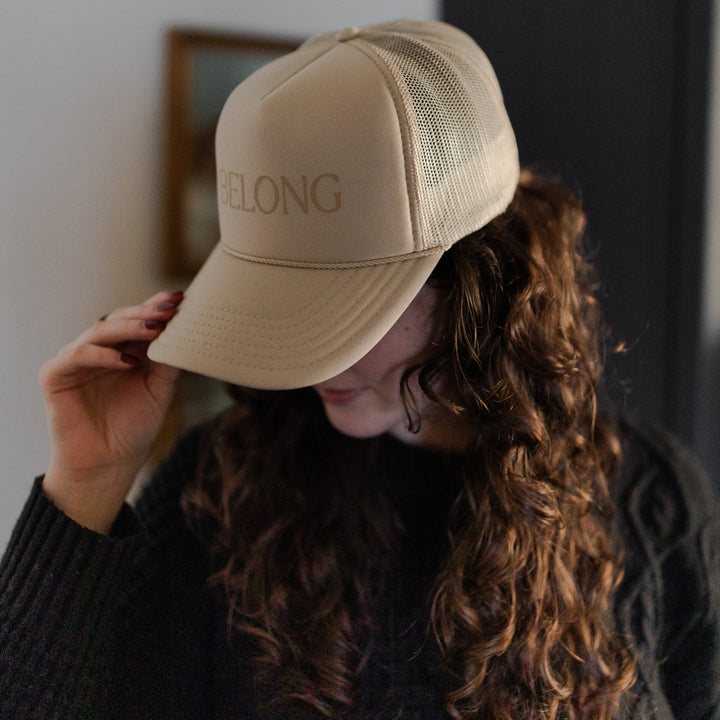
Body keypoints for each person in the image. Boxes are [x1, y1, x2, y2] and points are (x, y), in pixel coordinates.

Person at [1, 19, 718, 720]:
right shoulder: (218, 492)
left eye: (340, 305)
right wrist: (87, 483)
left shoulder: (655, 503)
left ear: (480, 282)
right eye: (277, 298)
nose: (303, 354)